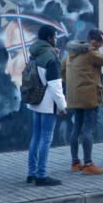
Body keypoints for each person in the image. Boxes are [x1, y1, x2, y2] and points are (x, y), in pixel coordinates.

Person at [61, 29, 103, 176]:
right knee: (88, 129)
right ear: (95, 41)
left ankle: (75, 162)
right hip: (89, 97)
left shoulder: (71, 53)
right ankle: (88, 164)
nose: (99, 46)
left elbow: (62, 69)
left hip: (74, 96)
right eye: (99, 43)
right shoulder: (91, 52)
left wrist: (72, 84)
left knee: (76, 127)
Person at [26, 25, 68, 185]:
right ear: (50, 38)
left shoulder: (34, 53)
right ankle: (41, 175)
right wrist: (63, 106)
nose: (56, 39)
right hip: (48, 104)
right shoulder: (51, 57)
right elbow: (56, 86)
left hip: (34, 101)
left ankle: (31, 172)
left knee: (36, 137)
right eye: (55, 36)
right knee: (46, 138)